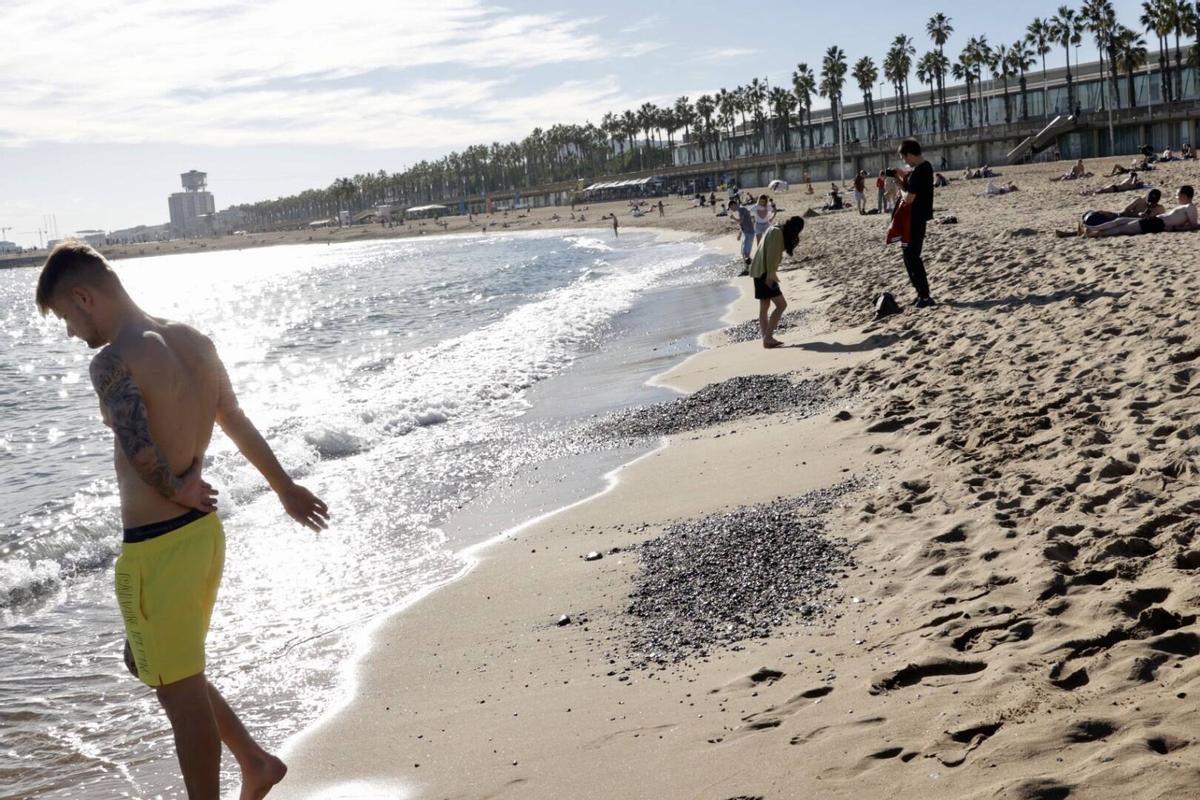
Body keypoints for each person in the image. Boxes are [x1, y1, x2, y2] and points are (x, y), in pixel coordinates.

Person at [35, 242, 330, 799]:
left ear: (83, 296)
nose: (72, 332)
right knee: (154, 665)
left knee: (180, 699)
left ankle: (249, 769)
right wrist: (284, 487)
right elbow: (234, 418)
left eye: (68, 318)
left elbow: (143, 454)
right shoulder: (193, 339)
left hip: (158, 549)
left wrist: (175, 487)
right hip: (202, 540)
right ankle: (255, 761)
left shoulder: (113, 360)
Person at [748, 216, 805, 348]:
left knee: (764, 306)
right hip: (765, 273)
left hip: (758, 271)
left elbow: (770, 253)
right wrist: (770, 276)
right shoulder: (777, 233)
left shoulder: (775, 229)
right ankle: (767, 338)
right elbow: (772, 256)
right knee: (781, 305)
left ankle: (767, 339)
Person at [896, 138, 935, 307]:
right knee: (909, 256)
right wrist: (900, 178)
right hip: (917, 218)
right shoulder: (924, 168)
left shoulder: (920, 171)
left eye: (903, 158)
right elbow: (913, 187)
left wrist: (900, 188)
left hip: (915, 219)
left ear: (910, 154)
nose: (904, 161)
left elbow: (909, 198)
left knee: (912, 257)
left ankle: (925, 296)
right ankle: (921, 294)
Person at [1084, 185, 1198, 237]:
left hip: (1157, 224)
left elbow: (1194, 225)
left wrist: (1173, 229)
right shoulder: (1185, 207)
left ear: (1184, 195)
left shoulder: (1190, 207)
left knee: (1122, 228)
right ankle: (1091, 229)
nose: (1176, 198)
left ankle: (1092, 234)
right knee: (1120, 220)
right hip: (1154, 221)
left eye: (1177, 195)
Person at [1055, 189, 1165, 238]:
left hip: (1131, 225)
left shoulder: (1160, 209)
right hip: (1123, 218)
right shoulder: (1139, 201)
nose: (1150, 205)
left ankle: (1071, 234)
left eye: (1153, 203)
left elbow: (1159, 221)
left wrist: (1147, 216)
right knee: (1101, 220)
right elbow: (1124, 211)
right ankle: (1071, 233)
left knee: (1104, 227)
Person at [729, 199, 756, 271]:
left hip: (749, 233)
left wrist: (733, 218)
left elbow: (741, 221)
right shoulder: (741, 210)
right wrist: (740, 234)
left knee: (746, 253)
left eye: (731, 208)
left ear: (734, 205)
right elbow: (742, 224)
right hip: (746, 233)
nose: (731, 209)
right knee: (744, 252)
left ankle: (754, 267)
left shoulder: (742, 210)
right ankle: (747, 269)